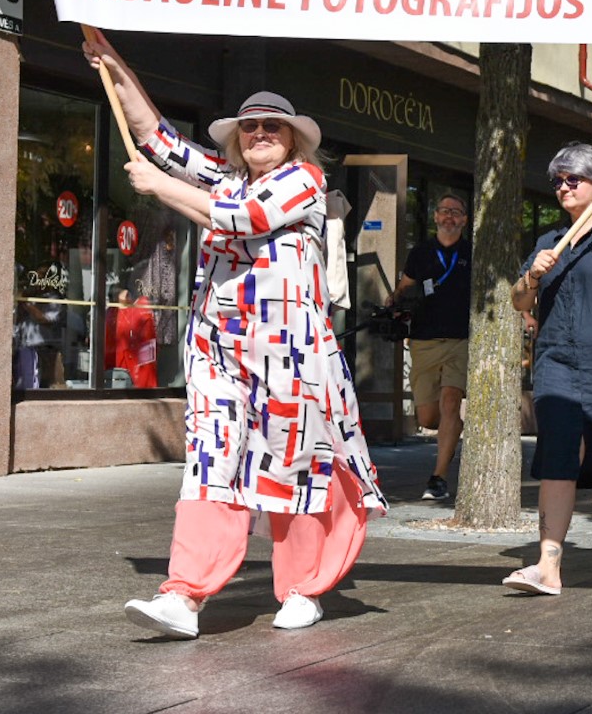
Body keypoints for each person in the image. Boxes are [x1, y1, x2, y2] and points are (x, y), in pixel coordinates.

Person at [86, 32, 385, 639]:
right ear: (236, 138)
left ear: (294, 138)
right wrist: (113, 65)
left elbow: (244, 219)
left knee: (292, 466)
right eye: (250, 127)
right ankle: (184, 593)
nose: (260, 133)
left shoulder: (304, 180)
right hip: (218, 350)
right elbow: (157, 139)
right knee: (210, 461)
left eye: (273, 126)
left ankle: (302, 588)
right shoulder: (224, 176)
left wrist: (161, 187)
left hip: (290, 357)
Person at [504, 143, 592, 594]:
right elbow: (519, 301)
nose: (563, 188)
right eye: (558, 181)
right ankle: (548, 564)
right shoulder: (548, 241)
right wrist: (532, 276)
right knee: (557, 459)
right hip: (556, 364)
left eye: (573, 180)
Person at [390, 192, 472, 502]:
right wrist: (394, 303)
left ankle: (438, 477)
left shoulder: (472, 252)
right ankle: (452, 431)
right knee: (428, 419)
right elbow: (404, 288)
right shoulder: (421, 252)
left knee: (450, 401)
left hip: (461, 340)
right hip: (423, 340)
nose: (450, 216)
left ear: (464, 220)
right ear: (436, 217)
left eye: (456, 211)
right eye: (444, 211)